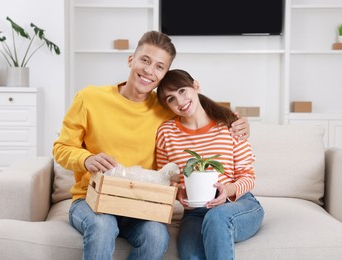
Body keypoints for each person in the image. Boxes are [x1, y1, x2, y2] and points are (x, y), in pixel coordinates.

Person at [53, 31, 250, 260]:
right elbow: (61, 148)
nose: (149, 71)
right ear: (131, 60)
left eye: (159, 66)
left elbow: (195, 108)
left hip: (140, 203)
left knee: (157, 236)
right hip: (92, 200)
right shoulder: (89, 98)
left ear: (164, 75)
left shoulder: (165, 109)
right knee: (102, 226)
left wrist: (236, 122)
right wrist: (85, 159)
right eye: (145, 60)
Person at [155, 69, 264, 260]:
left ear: (195, 86)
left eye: (182, 91)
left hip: (239, 204)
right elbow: (164, 179)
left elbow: (248, 176)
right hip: (195, 213)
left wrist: (227, 190)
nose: (179, 101)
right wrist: (178, 190)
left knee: (217, 218)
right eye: (170, 99)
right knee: (191, 256)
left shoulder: (229, 124)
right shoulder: (166, 132)